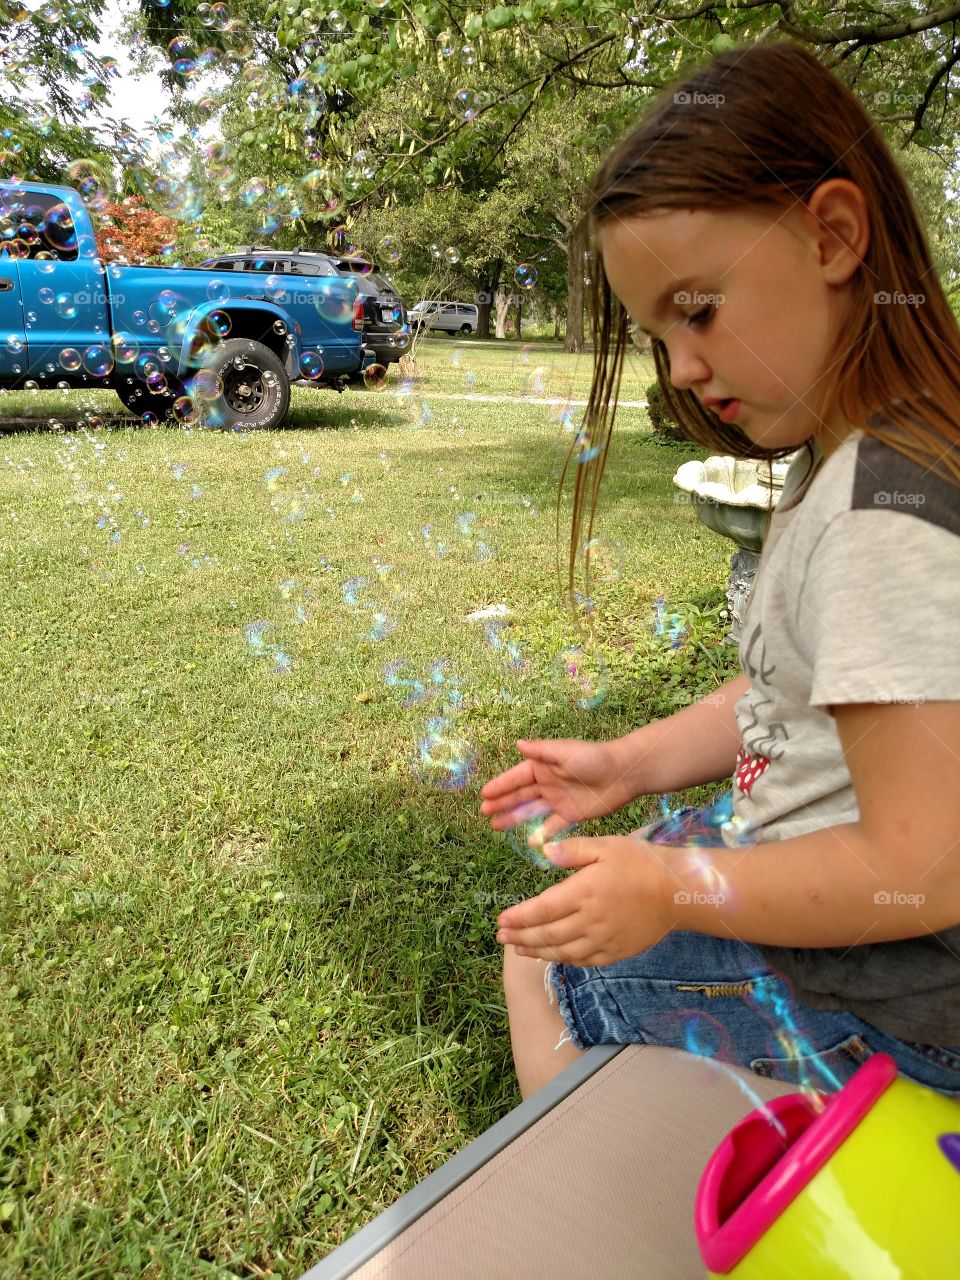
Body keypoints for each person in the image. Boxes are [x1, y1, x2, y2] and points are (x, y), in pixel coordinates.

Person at [479, 41, 960, 1102]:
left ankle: (624, 1200)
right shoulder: (869, 452)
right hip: (841, 907)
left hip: (884, 1005)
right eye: (661, 335)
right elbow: (799, 691)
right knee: (629, 861)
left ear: (834, 235)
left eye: (697, 310)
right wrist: (631, 764)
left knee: (549, 951)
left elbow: (922, 866)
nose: (685, 366)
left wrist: (680, 884)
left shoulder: (881, 521)